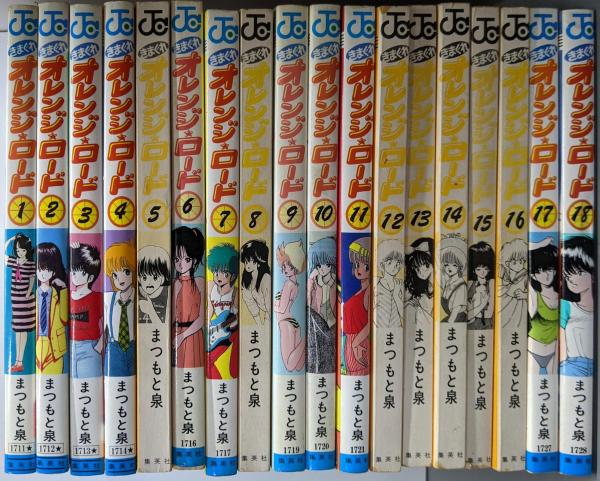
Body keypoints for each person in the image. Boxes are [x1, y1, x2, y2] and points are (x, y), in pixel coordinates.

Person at [560, 236, 594, 377]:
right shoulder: (566, 306)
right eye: (568, 275)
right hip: (572, 367)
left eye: (579, 272)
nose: (572, 280)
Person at [172, 226, 205, 369]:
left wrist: (182, 336)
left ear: (194, 260)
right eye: (176, 259)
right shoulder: (175, 283)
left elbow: (201, 319)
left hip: (193, 335)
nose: (181, 264)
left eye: (186, 259)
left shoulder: (199, 282)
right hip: (175, 334)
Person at [69, 242, 103, 378]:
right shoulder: (67, 295)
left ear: (90, 277)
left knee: (89, 381)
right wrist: (73, 250)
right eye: (74, 269)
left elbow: (107, 322)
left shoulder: (96, 297)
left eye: (81, 272)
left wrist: (99, 346)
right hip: (70, 346)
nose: (75, 274)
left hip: (90, 347)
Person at [207, 243, 239, 379]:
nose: (218, 276)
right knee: (208, 360)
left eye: (224, 273)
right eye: (216, 272)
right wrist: (209, 325)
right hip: (215, 330)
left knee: (232, 368)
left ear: (232, 275)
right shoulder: (210, 286)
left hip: (230, 332)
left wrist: (233, 323)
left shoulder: (235, 292)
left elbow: (237, 316)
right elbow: (209, 310)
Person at [104, 241, 136, 377]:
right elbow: (104, 325)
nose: (120, 279)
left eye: (126, 272)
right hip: (114, 348)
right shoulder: (109, 298)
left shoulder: (138, 296)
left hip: (133, 347)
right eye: (115, 275)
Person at [528, 237, 559, 375]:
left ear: (555, 270)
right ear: (533, 275)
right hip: (533, 348)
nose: (545, 275)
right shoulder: (534, 294)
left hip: (554, 349)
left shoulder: (562, 294)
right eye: (539, 271)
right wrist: (539, 244)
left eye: (549, 269)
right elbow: (522, 248)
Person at [35, 242, 68, 374]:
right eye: (40, 269)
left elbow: (64, 319)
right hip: (38, 343)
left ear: (53, 271)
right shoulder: (34, 294)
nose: (43, 273)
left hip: (54, 346)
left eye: (47, 269)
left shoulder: (57, 294)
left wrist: (64, 289)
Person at [5, 234, 35, 372]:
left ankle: (19, 361)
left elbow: (32, 279)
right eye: (17, 250)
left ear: (27, 250)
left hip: (25, 299)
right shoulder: (14, 261)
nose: (20, 252)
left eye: (22, 250)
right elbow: (3, 254)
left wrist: (28, 293)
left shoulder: (30, 263)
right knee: (18, 330)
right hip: (16, 299)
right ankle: (18, 361)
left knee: (23, 330)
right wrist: (10, 240)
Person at [275, 240, 306, 372]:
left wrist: (272, 305)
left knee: (289, 366)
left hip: (285, 323)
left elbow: (282, 309)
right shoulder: (295, 285)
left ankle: (305, 340)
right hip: (292, 323)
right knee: (298, 366)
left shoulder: (288, 284)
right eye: (284, 265)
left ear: (295, 267)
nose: (285, 268)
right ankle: (305, 340)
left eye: (289, 266)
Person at [307, 236, 336, 374]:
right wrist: (311, 279)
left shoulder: (335, 281)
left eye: (327, 264)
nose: (323, 268)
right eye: (319, 265)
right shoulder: (315, 282)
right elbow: (308, 302)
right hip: (318, 321)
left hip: (332, 322)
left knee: (329, 351)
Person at [342, 237, 370, 376]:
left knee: (358, 374)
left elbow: (370, 323)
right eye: (357, 264)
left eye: (366, 266)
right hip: (350, 343)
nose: (359, 268)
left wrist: (355, 344)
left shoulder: (369, 291)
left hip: (360, 343)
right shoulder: (359, 292)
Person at [240, 239, 271, 326]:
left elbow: (270, 306)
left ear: (259, 261)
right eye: (245, 260)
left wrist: (266, 323)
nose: (247, 264)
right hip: (265, 311)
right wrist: (259, 324)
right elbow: (249, 302)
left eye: (250, 260)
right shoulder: (246, 280)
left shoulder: (266, 279)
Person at [404, 237, 434, 327]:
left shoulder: (438, 283)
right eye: (416, 268)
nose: (421, 272)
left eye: (426, 265)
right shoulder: (412, 286)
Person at [499, 238, 528, 328]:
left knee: (517, 324)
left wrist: (524, 295)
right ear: (508, 263)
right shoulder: (505, 272)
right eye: (515, 262)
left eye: (521, 262)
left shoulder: (525, 275)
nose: (519, 265)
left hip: (519, 305)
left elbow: (532, 291)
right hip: (505, 303)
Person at [138, 246, 171, 324]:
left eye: (155, 277)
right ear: (139, 279)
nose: (149, 283)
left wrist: (150, 311)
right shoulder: (137, 293)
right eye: (144, 277)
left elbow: (163, 327)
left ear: (162, 279)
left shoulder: (166, 294)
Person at [375, 239, 403, 328]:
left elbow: (404, 314)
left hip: (397, 328)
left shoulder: (400, 284)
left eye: (398, 263)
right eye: (390, 262)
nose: (395, 266)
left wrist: (396, 296)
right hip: (379, 328)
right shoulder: (376, 284)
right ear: (382, 264)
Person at [467, 241, 495, 330]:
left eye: (485, 269)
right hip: (472, 322)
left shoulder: (491, 283)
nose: (482, 272)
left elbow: (490, 312)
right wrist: (482, 302)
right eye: (478, 269)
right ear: (473, 270)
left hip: (487, 321)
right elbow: (468, 313)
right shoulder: (471, 283)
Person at [440, 237, 467, 323]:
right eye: (446, 264)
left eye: (454, 265)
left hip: (457, 320)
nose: (449, 267)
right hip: (451, 318)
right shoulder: (448, 282)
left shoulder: (461, 286)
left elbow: (455, 310)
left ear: (460, 267)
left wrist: (449, 323)